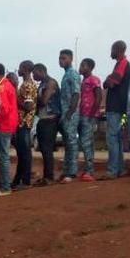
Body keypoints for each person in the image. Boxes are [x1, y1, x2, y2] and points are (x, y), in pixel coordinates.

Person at [102, 40, 130, 179]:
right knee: (118, 137)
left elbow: (113, 82)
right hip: (121, 108)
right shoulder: (121, 63)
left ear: (118, 50)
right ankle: (119, 168)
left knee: (113, 138)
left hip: (116, 107)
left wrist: (108, 79)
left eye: (112, 49)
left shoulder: (123, 63)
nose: (111, 52)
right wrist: (108, 79)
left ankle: (113, 170)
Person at [0, 63, 18, 195]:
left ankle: (5, 187)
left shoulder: (2, 87)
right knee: (2, 155)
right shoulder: (7, 85)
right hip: (9, 123)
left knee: (3, 156)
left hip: (4, 125)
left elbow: (4, 110)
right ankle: (3, 184)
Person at [32, 64, 61, 185]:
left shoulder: (51, 83)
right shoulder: (43, 84)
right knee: (44, 149)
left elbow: (44, 101)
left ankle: (49, 177)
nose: (33, 76)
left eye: (35, 73)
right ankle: (47, 176)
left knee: (47, 149)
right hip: (43, 118)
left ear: (41, 71)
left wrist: (33, 100)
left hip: (50, 119)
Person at [11, 60, 37, 189]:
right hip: (22, 122)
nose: (19, 70)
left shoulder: (27, 85)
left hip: (24, 122)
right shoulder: (27, 84)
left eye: (20, 68)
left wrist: (15, 100)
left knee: (25, 153)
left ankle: (25, 181)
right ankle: (18, 180)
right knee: (22, 153)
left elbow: (28, 106)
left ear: (25, 69)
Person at [57, 49, 81, 183]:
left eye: (64, 58)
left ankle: (71, 172)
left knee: (71, 142)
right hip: (65, 113)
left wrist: (71, 111)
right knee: (67, 142)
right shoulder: (66, 75)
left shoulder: (73, 74)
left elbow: (76, 93)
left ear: (71, 59)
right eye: (60, 58)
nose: (61, 61)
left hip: (70, 113)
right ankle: (66, 170)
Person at [77, 58, 102, 181]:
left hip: (89, 116)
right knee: (86, 142)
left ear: (90, 68)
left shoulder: (94, 80)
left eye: (83, 66)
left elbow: (99, 97)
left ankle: (89, 171)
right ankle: (88, 169)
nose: (80, 68)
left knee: (86, 142)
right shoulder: (83, 81)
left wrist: (92, 113)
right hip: (82, 114)